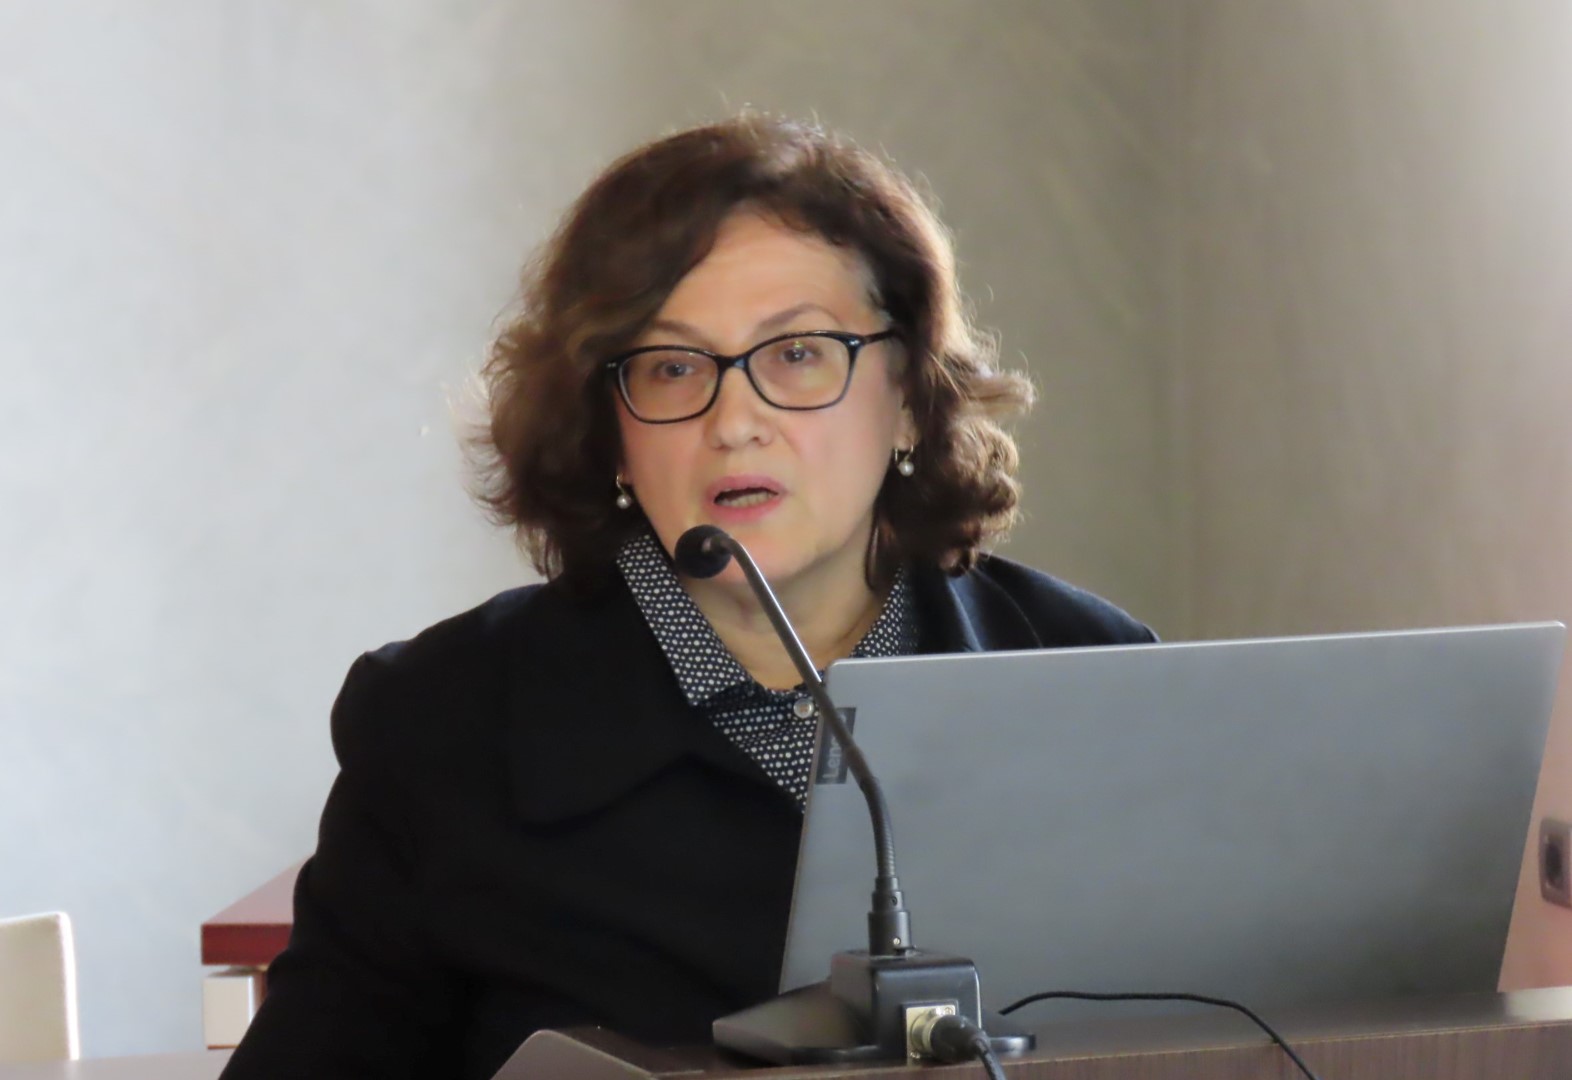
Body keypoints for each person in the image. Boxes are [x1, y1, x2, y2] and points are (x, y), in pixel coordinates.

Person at [220, 113, 1154, 1080]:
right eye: (672, 368)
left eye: (798, 353)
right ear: (611, 433)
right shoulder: (443, 719)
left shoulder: (1101, 680)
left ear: (911, 397)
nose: (735, 421)